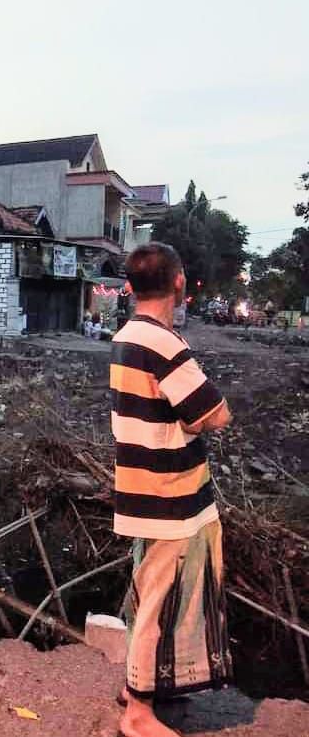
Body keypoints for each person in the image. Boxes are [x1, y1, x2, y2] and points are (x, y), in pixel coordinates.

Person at [110, 243, 234, 737]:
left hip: (142, 486)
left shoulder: (126, 336)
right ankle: (138, 713)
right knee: (162, 600)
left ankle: (137, 688)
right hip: (172, 494)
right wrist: (197, 418)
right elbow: (215, 414)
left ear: (129, 287)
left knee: (149, 591)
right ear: (179, 282)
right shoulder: (164, 344)